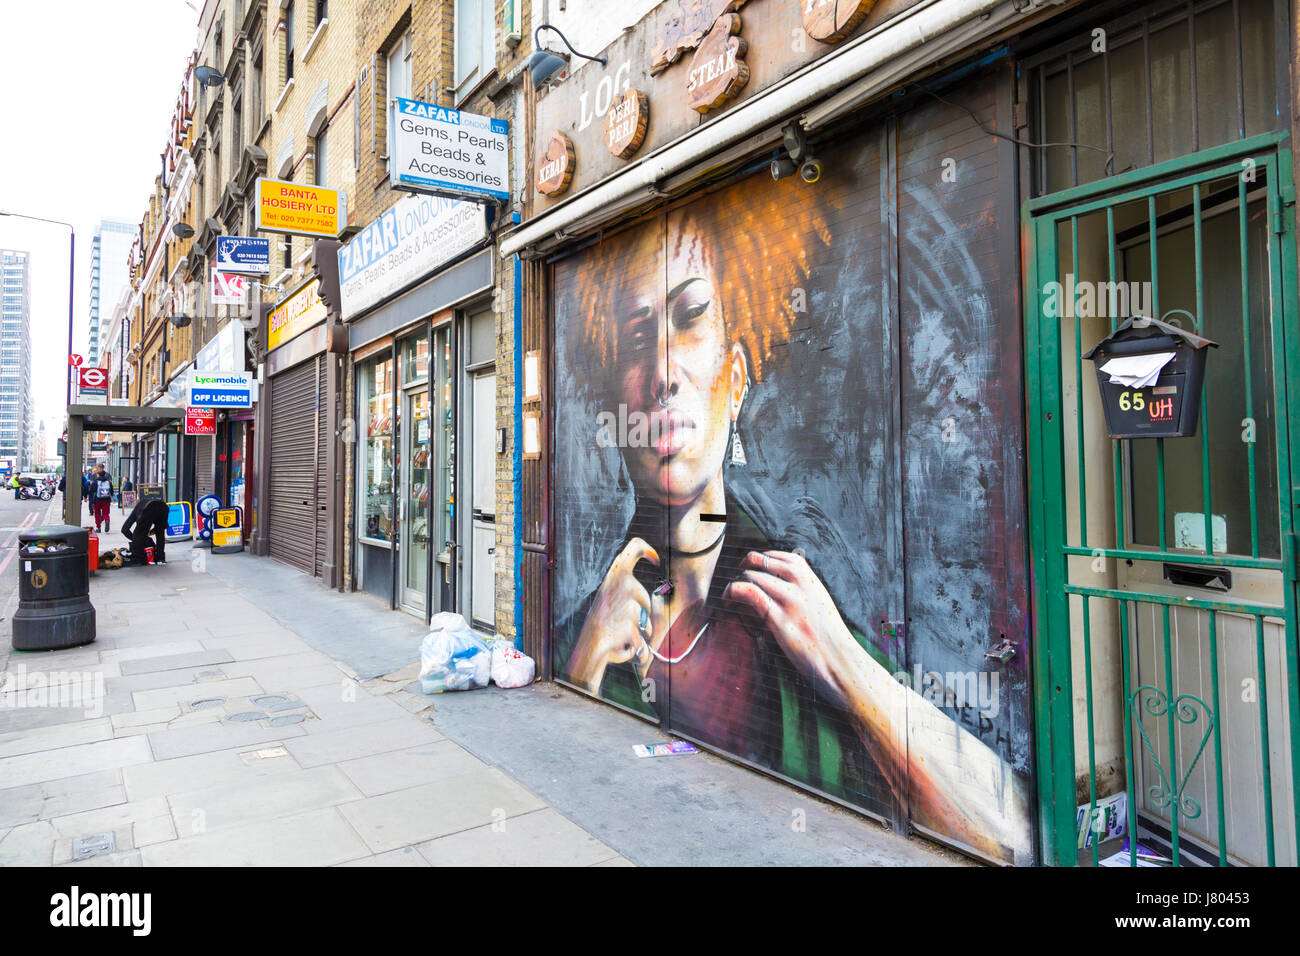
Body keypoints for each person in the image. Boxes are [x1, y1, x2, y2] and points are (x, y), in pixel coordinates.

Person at [556, 195, 1031, 863]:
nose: (663, 376)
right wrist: (581, 671)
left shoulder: (792, 601)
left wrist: (844, 667)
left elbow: (1013, 835)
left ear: (737, 379)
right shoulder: (588, 626)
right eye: (637, 340)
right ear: (614, 399)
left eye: (691, 319)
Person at [121, 495, 169, 566]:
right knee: (160, 534)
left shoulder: (138, 511)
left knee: (138, 536)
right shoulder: (139, 507)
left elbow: (124, 530)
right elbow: (163, 527)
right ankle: (161, 558)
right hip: (163, 507)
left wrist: (138, 540)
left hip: (148, 509)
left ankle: (141, 558)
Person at [89, 465, 115, 533]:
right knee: (106, 513)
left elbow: (91, 491)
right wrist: (111, 497)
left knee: (97, 514)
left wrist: (91, 500)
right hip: (106, 500)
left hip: (97, 500)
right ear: (105, 475)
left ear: (98, 475)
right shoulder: (108, 482)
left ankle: (98, 528)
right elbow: (111, 491)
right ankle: (107, 520)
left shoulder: (95, 482)